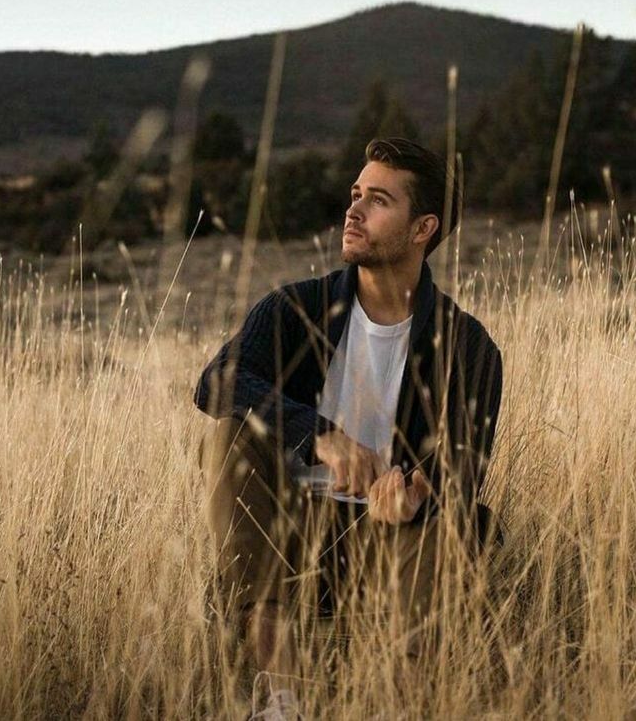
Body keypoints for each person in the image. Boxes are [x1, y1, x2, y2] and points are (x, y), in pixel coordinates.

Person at [195, 138, 503, 719]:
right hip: (290, 529)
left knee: (453, 526)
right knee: (229, 436)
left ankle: (398, 697)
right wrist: (318, 434)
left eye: (378, 200)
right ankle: (279, 699)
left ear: (423, 228)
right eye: (355, 194)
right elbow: (216, 382)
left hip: (390, 537)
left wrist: (412, 495)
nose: (353, 210)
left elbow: (463, 469)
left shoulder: (469, 347)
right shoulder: (294, 310)